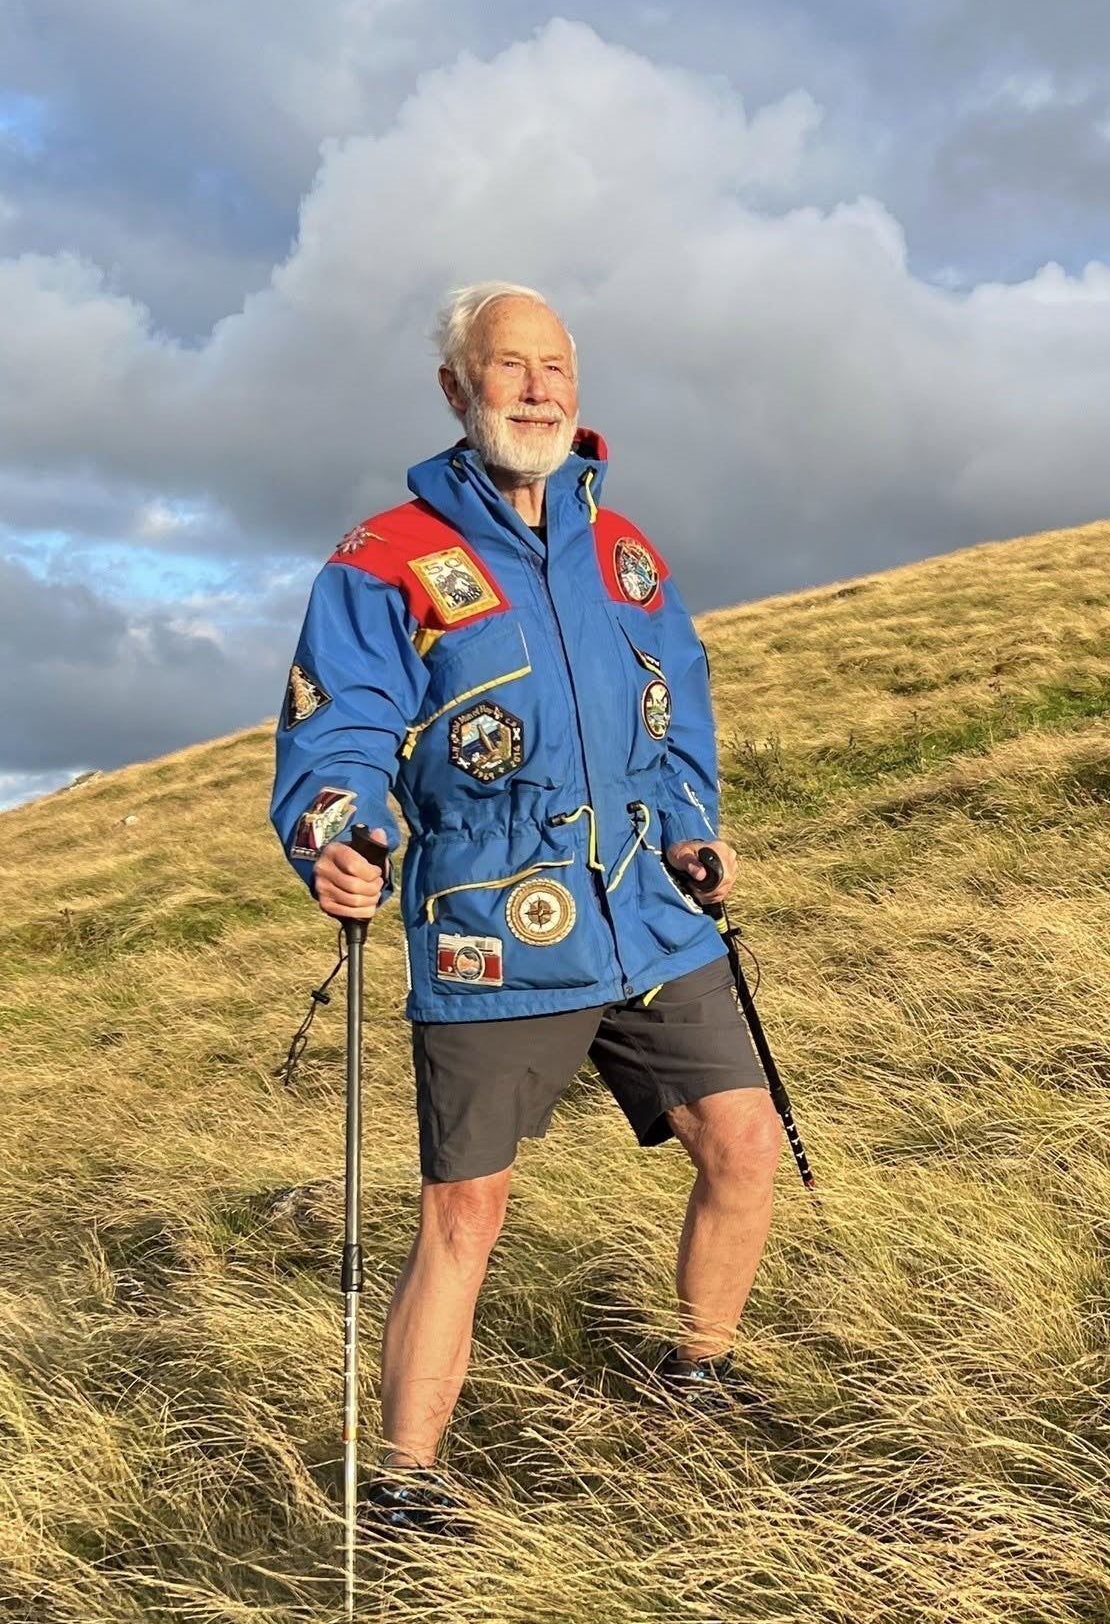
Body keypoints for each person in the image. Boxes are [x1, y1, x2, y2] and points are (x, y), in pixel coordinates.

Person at [270, 282, 782, 1534]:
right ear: (457, 388)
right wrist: (338, 834)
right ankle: (406, 1484)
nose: (539, 388)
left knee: (746, 1142)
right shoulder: (385, 559)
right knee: (466, 1210)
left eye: (556, 365)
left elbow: (676, 713)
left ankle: (696, 1374)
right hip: (494, 929)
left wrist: (692, 827)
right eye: (510, 365)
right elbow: (340, 730)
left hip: (650, 911)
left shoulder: (626, 551)